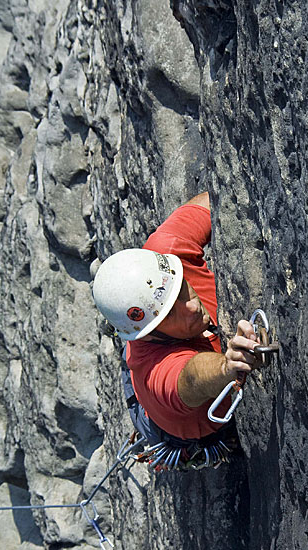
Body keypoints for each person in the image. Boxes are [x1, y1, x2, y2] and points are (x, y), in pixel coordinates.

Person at [92, 192, 262, 470]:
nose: (192, 307)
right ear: (150, 334)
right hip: (172, 423)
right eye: (171, 312)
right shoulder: (158, 375)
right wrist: (227, 366)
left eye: (181, 289)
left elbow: (212, 201)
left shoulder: (164, 254)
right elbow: (190, 378)